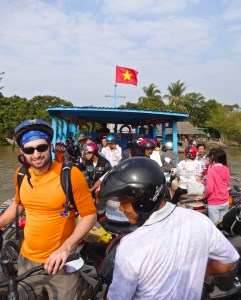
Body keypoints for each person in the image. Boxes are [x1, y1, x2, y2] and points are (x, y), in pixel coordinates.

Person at [99, 157, 239, 300]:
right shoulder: (200, 221)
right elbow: (228, 261)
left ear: (143, 200)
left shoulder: (130, 246)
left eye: (124, 202)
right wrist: (198, 272)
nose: (121, 209)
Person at [0, 119, 97, 299]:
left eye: (41, 147)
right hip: (26, 259)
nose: (36, 154)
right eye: (29, 150)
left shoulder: (70, 174)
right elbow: (19, 205)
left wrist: (67, 248)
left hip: (61, 262)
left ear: (50, 147)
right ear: (22, 151)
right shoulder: (20, 174)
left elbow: (90, 215)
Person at [203, 148, 230, 223]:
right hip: (225, 201)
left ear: (213, 158)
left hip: (214, 202)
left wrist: (204, 196)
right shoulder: (226, 168)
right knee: (222, 225)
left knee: (215, 227)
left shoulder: (211, 170)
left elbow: (210, 189)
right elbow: (227, 183)